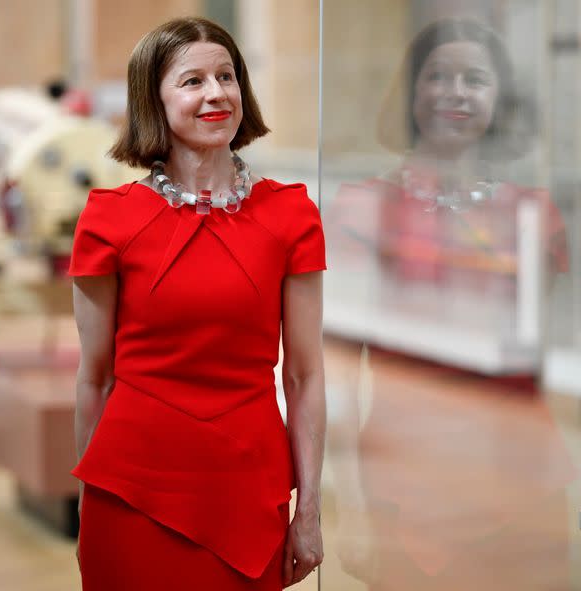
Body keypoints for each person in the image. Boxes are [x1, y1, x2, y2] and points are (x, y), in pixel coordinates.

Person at [68, 16, 327, 591]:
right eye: (192, 81)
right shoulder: (109, 219)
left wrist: (308, 510)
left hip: (246, 488)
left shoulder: (291, 215)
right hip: (130, 495)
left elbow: (306, 378)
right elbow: (93, 379)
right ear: (152, 100)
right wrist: (88, 502)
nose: (216, 93)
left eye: (227, 76)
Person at [324, 18, 577, 590]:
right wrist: (353, 509)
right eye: (437, 76)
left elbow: (536, 358)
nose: (456, 93)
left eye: (475, 79)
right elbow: (336, 370)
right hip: (409, 486)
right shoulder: (367, 209)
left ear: (499, 99)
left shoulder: (534, 214)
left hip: (524, 485)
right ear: (412, 94)